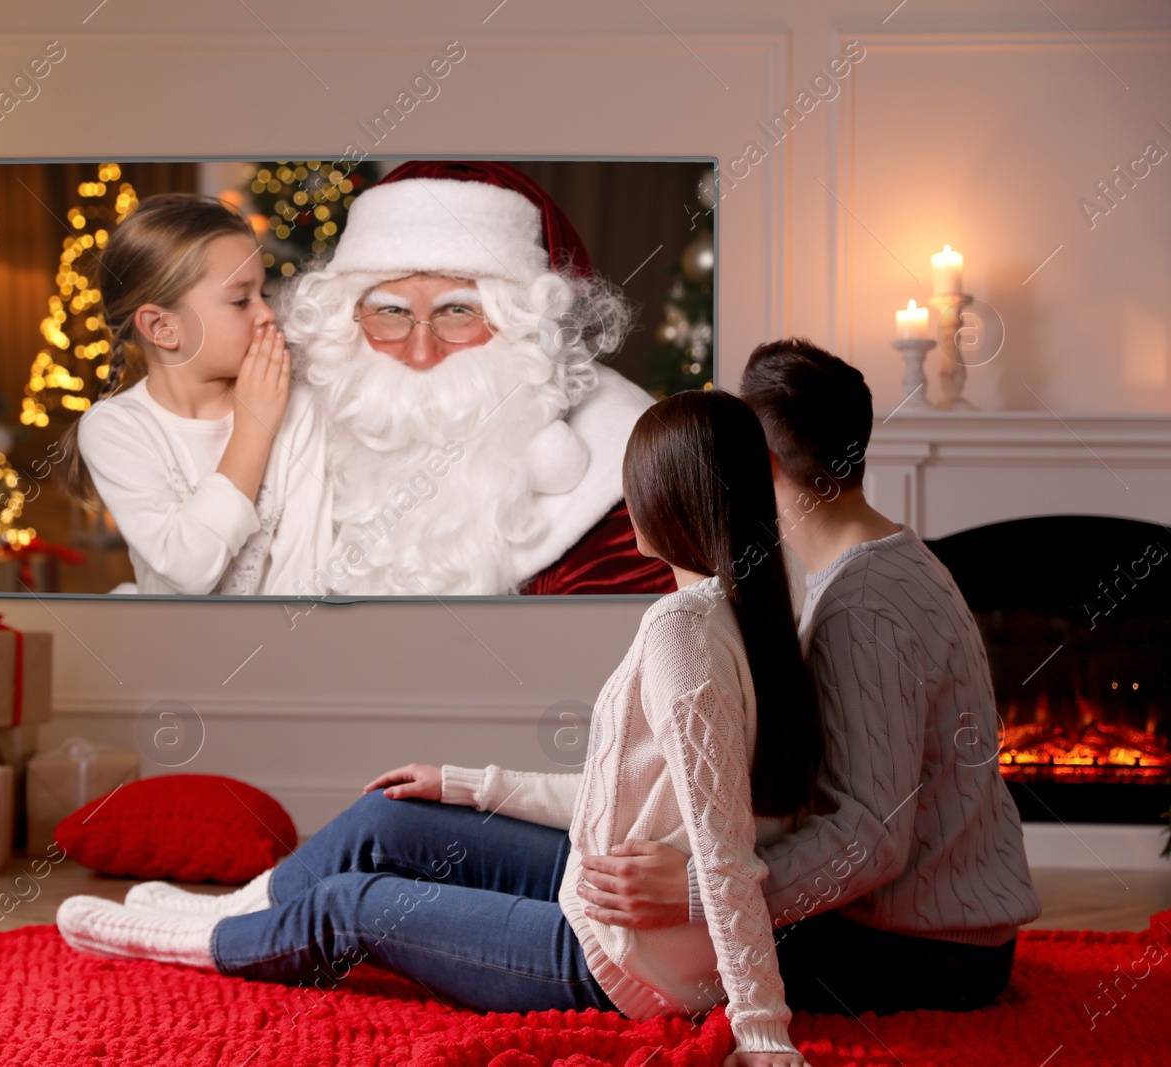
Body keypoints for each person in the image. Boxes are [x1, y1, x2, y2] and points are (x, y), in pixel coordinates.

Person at [58, 389, 824, 1067]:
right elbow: (623, 791)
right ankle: (226, 909)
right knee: (394, 813)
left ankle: (176, 942)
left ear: (665, 498)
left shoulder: (680, 630)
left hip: (618, 965)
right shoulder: (744, 616)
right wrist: (463, 784)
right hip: (615, 912)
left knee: (354, 904)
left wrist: (762, 1031)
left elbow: (723, 858)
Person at [575, 339, 1042, 1015]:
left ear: (759, 463)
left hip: (927, 954)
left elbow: (872, 840)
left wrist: (695, 891)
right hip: (939, 932)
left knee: (644, 945)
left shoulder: (862, 604)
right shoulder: (888, 560)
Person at [278, 160, 675, 596]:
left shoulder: (626, 481)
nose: (421, 354)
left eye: (457, 311)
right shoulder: (300, 433)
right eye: (392, 312)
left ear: (521, 325)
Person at [59, 194, 333, 595]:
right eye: (241, 300)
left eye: (265, 294)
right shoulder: (114, 430)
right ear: (162, 327)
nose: (267, 314)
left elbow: (304, 574)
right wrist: (253, 428)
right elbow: (188, 570)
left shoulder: (300, 408)